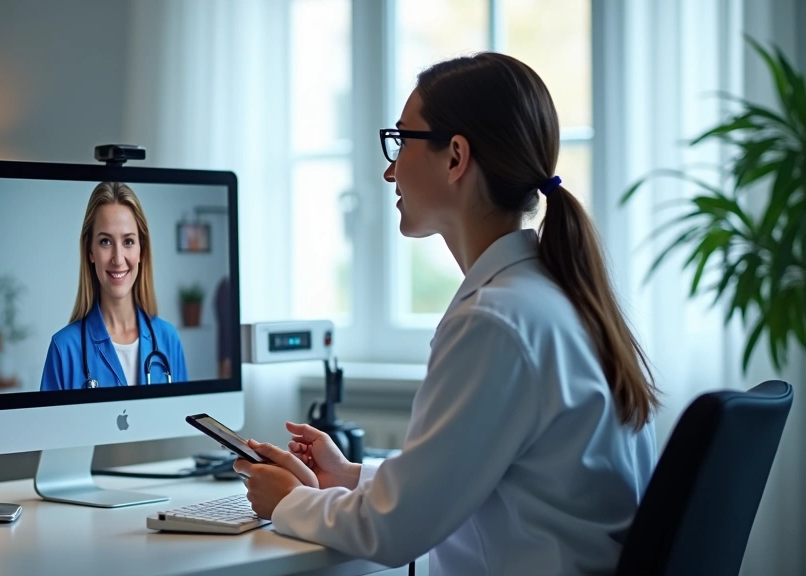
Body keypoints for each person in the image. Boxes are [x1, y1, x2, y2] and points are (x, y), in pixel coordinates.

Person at [233, 52, 660, 575]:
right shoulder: (553, 298)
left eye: (401, 140)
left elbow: (393, 533)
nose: (389, 169)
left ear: (456, 157)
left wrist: (286, 501)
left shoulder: (495, 322)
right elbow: (481, 482)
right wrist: (351, 477)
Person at [40, 182, 188, 390]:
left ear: (141, 251)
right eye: (105, 242)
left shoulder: (168, 339)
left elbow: (183, 419)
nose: (118, 259)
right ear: (90, 251)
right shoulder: (63, 349)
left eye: (128, 241)